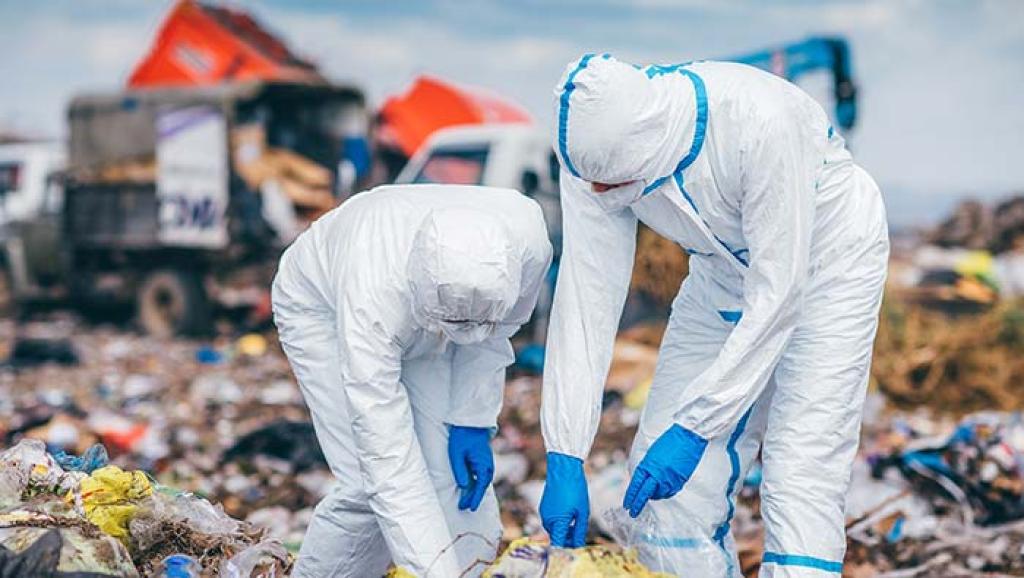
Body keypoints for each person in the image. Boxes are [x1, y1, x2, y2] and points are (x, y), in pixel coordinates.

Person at [539, 54, 889, 577]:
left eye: (612, 187)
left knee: (799, 472)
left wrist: (699, 425)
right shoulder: (593, 157)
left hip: (828, 261)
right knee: (662, 489)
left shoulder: (760, 121)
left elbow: (779, 292)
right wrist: (564, 451)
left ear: (650, 148)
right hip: (720, 269)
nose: (598, 196)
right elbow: (586, 298)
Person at [273, 184, 552, 577]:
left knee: (447, 476)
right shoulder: (373, 295)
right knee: (364, 484)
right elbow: (388, 458)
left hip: (423, 314)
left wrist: (471, 418)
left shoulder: (527, 245)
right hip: (320, 304)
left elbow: (491, 334)